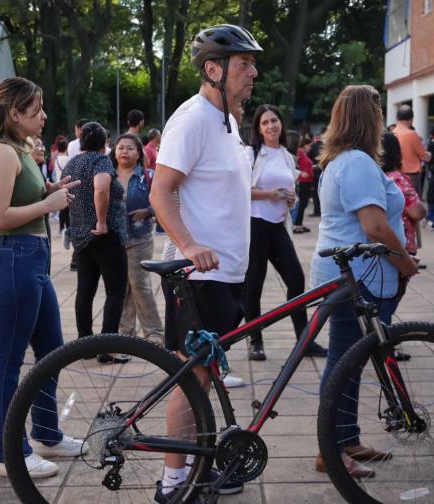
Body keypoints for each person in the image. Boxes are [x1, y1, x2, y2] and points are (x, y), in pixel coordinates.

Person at [149, 24, 261, 502]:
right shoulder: (192, 119)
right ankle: (174, 483)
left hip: (227, 274)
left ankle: (200, 467)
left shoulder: (228, 119)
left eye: (253, 65)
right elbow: (161, 191)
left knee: (205, 372)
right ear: (213, 70)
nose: (253, 72)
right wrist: (189, 245)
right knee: (189, 379)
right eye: (243, 65)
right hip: (198, 276)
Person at [0, 78, 86, 479]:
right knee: (8, 364)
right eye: (36, 109)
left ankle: (47, 433)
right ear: (15, 113)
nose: (43, 116)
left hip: (32, 260)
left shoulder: (19, 149)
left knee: (52, 350)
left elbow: (20, 201)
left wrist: (51, 190)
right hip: (14, 260)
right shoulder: (1, 152)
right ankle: (10, 454)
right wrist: (48, 202)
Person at [310, 85, 419, 479]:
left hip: (352, 273)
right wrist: (404, 260)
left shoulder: (341, 160)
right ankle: (331, 450)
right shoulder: (355, 163)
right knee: (344, 362)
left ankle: (345, 438)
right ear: (369, 119)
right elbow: (374, 226)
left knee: (349, 363)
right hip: (356, 276)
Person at [243, 104, 327, 361]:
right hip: (255, 226)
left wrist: (289, 199)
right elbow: (239, 191)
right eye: (265, 122)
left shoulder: (287, 156)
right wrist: (270, 194)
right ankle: (255, 341)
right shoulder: (251, 153)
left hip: (278, 227)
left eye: (274, 121)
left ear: (281, 124)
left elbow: (287, 194)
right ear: (259, 128)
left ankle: (305, 340)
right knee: (253, 285)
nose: (271, 126)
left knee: (296, 280)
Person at [62, 122, 130, 364]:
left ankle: (85, 344)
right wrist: (101, 223)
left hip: (81, 237)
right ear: (105, 143)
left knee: (85, 290)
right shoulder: (100, 161)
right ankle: (107, 348)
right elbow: (101, 189)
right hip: (105, 235)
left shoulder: (71, 163)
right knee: (115, 291)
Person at [111, 133, 164, 341]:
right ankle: (126, 333)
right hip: (114, 240)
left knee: (139, 284)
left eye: (130, 148)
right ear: (114, 152)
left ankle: (154, 332)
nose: (125, 151)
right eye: (121, 147)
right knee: (122, 287)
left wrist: (148, 211)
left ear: (139, 152)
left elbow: (163, 201)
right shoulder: (108, 175)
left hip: (140, 238)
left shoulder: (148, 176)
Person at [382, 131, 426, 257]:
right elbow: (416, 212)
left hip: (379, 243)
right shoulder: (397, 179)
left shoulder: (372, 177)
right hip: (401, 243)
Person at [393, 105, 431, 196]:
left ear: (397, 117)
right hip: (411, 174)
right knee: (413, 205)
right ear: (412, 118)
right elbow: (424, 156)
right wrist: (429, 154)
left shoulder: (392, 133)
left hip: (396, 174)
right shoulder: (412, 134)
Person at [292, 136, 315, 233]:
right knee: (301, 203)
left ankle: (299, 223)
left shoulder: (303, 154)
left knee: (303, 203)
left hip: (306, 181)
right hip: (302, 181)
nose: (310, 147)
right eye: (309, 145)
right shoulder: (299, 153)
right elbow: (294, 164)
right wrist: (301, 172)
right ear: (304, 145)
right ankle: (297, 224)